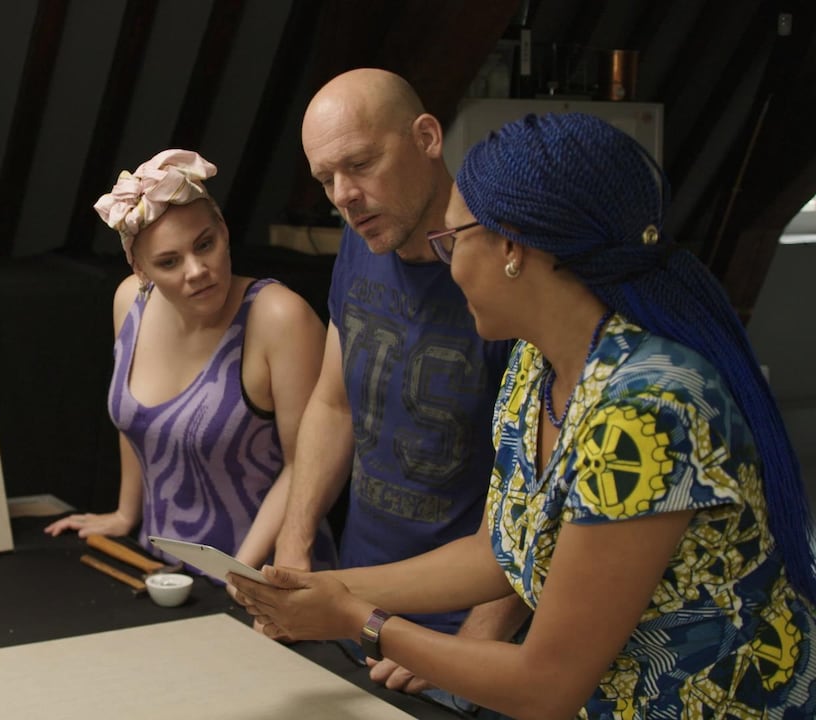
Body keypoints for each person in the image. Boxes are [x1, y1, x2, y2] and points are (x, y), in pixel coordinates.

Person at [231, 112, 816, 718]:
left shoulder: (646, 408)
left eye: (452, 242)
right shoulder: (535, 367)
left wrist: (359, 618)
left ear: (510, 247)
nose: (449, 266)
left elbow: (547, 684)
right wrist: (332, 588)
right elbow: (499, 552)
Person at [270, 68, 529, 707]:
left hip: (462, 627)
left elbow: (537, 507)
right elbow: (334, 404)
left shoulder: (503, 274)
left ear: (426, 137)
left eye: (359, 164)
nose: (344, 196)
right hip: (353, 607)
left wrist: (478, 642)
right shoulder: (365, 240)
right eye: (325, 179)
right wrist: (296, 540)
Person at [44, 149, 336, 571]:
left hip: (267, 573)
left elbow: (306, 466)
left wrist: (239, 573)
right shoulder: (130, 301)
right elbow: (133, 420)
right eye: (169, 262)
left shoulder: (279, 317)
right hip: (161, 568)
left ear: (224, 231)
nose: (197, 270)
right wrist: (127, 514)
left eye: (205, 244)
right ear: (140, 269)